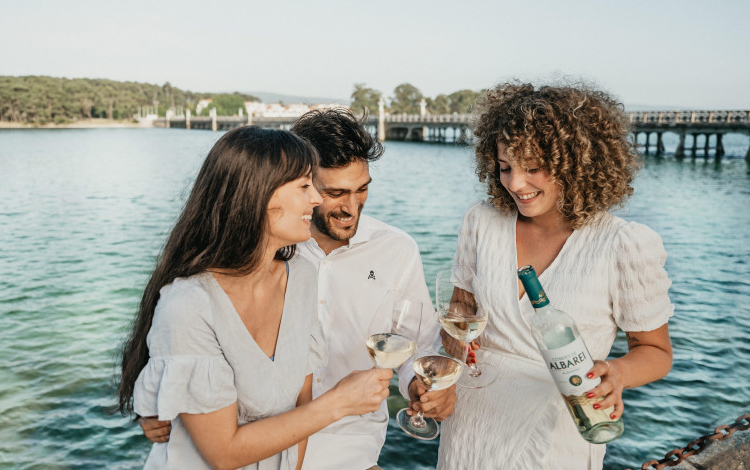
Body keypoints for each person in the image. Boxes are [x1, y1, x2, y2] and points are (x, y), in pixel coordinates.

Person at [141, 109, 456, 470]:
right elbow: (181, 337)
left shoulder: (388, 252)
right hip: (253, 449)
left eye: (362, 189)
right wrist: (161, 398)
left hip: (346, 451)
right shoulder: (260, 263)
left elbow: (418, 344)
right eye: (332, 192)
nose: (351, 208)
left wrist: (424, 385)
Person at [437, 82, 674, 469]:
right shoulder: (482, 221)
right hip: (471, 421)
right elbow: (461, 311)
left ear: (576, 163)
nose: (515, 183)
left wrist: (618, 373)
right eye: (505, 167)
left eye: (533, 168)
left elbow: (657, 352)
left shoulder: (624, 244)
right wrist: (449, 354)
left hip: (560, 429)